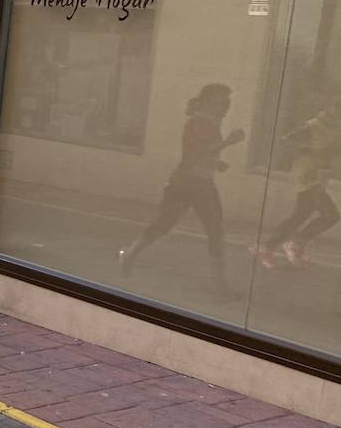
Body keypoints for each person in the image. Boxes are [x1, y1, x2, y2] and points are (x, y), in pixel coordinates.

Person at [120, 83, 244, 296]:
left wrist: (217, 163)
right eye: (222, 101)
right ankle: (129, 254)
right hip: (188, 183)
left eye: (228, 102)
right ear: (207, 102)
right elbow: (193, 153)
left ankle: (219, 287)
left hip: (198, 183)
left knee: (212, 230)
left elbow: (202, 155)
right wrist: (227, 143)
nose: (226, 106)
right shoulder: (198, 122)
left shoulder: (210, 123)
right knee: (167, 225)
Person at [259, 99, 341, 268]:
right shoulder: (314, 125)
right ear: (331, 107)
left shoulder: (336, 128)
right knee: (330, 214)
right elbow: (286, 140)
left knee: (300, 215)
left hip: (319, 176)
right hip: (307, 175)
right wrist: (309, 150)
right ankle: (294, 244)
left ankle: (269, 247)